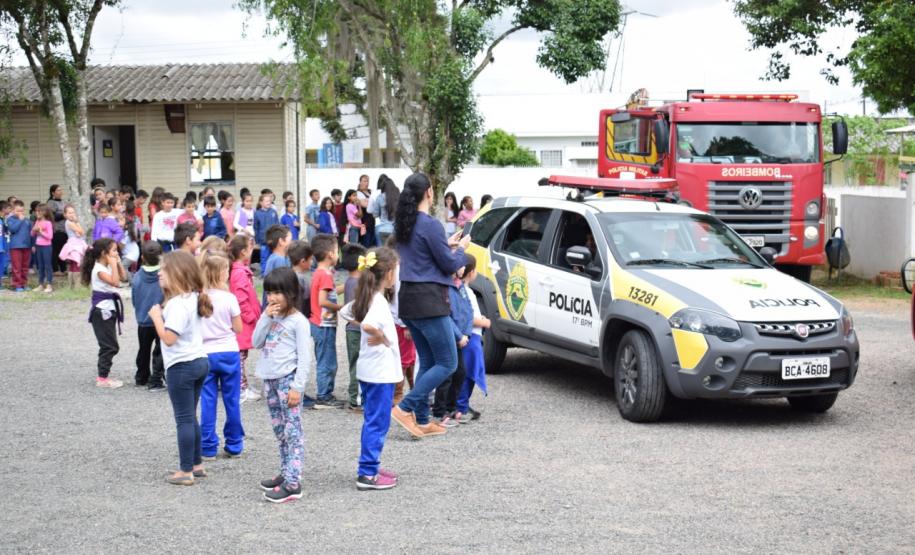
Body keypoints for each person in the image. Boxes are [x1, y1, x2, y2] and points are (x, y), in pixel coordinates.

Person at [391, 172, 470, 438]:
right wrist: (461, 249)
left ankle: (422, 420)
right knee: (447, 362)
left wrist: (446, 244)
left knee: (427, 361)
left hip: (409, 300)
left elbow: (421, 253)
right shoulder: (431, 224)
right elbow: (449, 265)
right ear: (429, 192)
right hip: (429, 300)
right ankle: (406, 408)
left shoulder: (404, 223)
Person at [147, 250, 212, 486]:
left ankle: (185, 471)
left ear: (176, 274)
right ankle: (196, 464)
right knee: (190, 416)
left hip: (181, 366)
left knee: (183, 418)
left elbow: (169, 338)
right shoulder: (193, 297)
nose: (159, 274)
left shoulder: (175, 305)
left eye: (163, 270)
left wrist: (156, 317)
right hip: (199, 361)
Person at [253, 267, 312, 503]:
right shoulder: (271, 318)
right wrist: (265, 316)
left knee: (293, 431)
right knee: (280, 431)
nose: (272, 298)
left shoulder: (298, 321)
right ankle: (286, 471)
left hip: (288, 381)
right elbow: (256, 342)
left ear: (291, 293)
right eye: (268, 293)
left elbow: (305, 358)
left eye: (277, 292)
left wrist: (298, 387)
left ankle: (293, 482)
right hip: (270, 380)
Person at [350, 247, 401, 490]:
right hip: (380, 373)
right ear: (389, 274)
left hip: (370, 370)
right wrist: (379, 334)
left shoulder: (367, 297)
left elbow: (344, 312)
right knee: (378, 422)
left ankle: (370, 465)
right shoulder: (378, 302)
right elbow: (369, 324)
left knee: (373, 420)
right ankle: (367, 473)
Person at [198, 253, 245, 459]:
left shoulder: (199, 298)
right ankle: (234, 443)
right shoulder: (229, 298)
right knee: (231, 399)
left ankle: (208, 445)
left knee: (207, 401)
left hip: (205, 353)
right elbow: (238, 328)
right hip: (228, 352)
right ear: (221, 274)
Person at [82, 238, 127, 388]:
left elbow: (123, 278)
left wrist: (118, 262)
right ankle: (102, 378)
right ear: (103, 253)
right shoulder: (99, 269)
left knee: (110, 344)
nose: (116, 253)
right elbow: (115, 282)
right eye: (114, 250)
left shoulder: (106, 266)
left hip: (109, 308)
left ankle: (104, 376)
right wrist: (113, 264)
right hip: (102, 311)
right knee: (109, 346)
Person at [432, 263, 472, 427]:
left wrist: (466, 333)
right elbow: (445, 315)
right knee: (446, 375)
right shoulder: (444, 287)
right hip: (448, 336)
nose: (463, 268)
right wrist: (458, 335)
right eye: (460, 265)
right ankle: (439, 412)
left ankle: (451, 407)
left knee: (460, 372)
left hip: (462, 336)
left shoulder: (460, 286)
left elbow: (468, 310)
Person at [309, 234, 343, 408]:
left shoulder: (320, 273)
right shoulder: (325, 275)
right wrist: (342, 308)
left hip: (321, 324)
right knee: (327, 361)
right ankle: (323, 395)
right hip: (323, 324)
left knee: (327, 359)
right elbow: (323, 301)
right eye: (337, 251)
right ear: (330, 254)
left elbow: (330, 292)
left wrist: (350, 284)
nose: (338, 254)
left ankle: (326, 393)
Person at [229, 234, 262, 403]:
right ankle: (241, 389)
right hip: (242, 323)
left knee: (242, 355)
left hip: (244, 322)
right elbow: (240, 299)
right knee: (239, 356)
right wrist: (251, 317)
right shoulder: (239, 273)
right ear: (243, 252)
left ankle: (244, 385)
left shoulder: (240, 271)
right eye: (250, 249)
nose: (252, 252)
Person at [455, 254, 488, 422]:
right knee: (469, 373)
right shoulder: (465, 292)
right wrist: (485, 322)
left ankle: (460, 405)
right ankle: (460, 407)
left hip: (468, 336)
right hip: (472, 336)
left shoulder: (462, 290)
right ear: (471, 272)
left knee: (466, 371)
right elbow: (468, 317)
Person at [132, 241, 166, 391]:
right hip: (161, 320)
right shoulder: (164, 275)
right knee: (160, 350)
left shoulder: (138, 276)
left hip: (143, 320)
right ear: (161, 256)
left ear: (142, 257)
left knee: (143, 349)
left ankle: (141, 376)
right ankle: (157, 377)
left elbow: (134, 298)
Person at [342, 243, 367, 412]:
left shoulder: (349, 281)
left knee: (355, 363)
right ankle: (355, 399)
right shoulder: (358, 283)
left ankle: (356, 397)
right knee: (358, 364)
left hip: (352, 329)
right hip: (358, 329)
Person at [60, 204, 88, 289]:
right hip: (74, 245)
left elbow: (81, 233)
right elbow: (82, 232)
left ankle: (72, 285)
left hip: (77, 243)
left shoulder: (71, 222)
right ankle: (76, 285)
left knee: (73, 265)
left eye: (73, 212)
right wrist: (77, 222)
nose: (72, 214)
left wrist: (77, 224)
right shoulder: (69, 223)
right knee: (76, 263)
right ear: (65, 215)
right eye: (69, 213)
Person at [7, 201, 30, 292]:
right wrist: (20, 220)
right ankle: (17, 284)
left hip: (26, 246)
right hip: (15, 246)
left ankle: (24, 283)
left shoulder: (27, 220)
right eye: (18, 211)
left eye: (22, 211)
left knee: (25, 266)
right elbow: (13, 229)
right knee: (16, 266)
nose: (20, 213)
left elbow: (30, 233)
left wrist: (32, 245)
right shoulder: (10, 219)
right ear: (13, 211)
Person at [31, 204, 54, 292]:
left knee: (47, 265)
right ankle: (40, 284)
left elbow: (50, 236)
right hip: (38, 246)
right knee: (40, 266)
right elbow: (32, 234)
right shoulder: (37, 221)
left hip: (46, 247)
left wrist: (41, 232)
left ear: (45, 212)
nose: (37, 213)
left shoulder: (48, 223)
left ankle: (49, 284)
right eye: (36, 211)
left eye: (39, 211)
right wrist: (34, 230)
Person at [370, 175, 399, 245]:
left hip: (382, 229)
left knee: (383, 253)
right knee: (394, 253)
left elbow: (375, 215)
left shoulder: (379, 197)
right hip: (395, 230)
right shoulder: (398, 197)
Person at [254, 193, 279, 270]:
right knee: (264, 257)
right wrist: (257, 241)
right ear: (261, 203)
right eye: (266, 201)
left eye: (269, 201)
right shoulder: (257, 213)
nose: (269, 202)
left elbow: (277, 226)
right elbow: (256, 228)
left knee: (274, 257)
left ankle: (274, 272)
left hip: (273, 240)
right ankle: (264, 273)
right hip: (263, 241)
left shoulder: (273, 212)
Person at [47, 184, 68, 274]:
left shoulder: (63, 202)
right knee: (56, 249)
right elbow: (52, 216)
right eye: (58, 190)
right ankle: (55, 269)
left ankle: (63, 268)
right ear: (53, 193)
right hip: (56, 229)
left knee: (63, 249)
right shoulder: (51, 202)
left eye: (61, 190)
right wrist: (63, 215)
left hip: (65, 229)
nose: (60, 192)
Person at [356, 174, 377, 247]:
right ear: (360, 182)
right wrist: (371, 202)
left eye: (367, 181)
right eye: (364, 181)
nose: (366, 183)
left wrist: (368, 201)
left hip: (372, 222)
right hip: (364, 223)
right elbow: (365, 205)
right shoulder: (358, 193)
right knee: (366, 245)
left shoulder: (371, 192)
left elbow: (376, 203)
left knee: (373, 246)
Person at [0, 201, 8, 287]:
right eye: (8, 208)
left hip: (3, 246)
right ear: (3, 209)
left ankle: (0, 282)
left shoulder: (4, 219)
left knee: (1, 265)